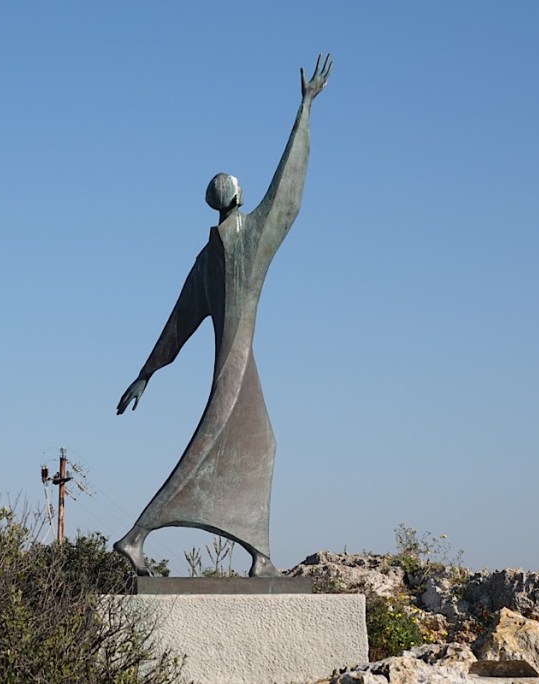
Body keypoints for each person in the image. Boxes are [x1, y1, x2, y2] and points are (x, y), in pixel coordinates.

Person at [113, 55, 332, 577]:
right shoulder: (247, 239)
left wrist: (147, 373)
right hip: (235, 363)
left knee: (261, 445)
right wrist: (305, 110)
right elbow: (288, 193)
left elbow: (177, 324)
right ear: (239, 198)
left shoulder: (207, 257)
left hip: (237, 360)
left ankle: (259, 555)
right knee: (212, 444)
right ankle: (137, 535)